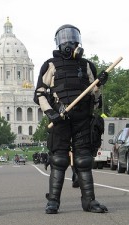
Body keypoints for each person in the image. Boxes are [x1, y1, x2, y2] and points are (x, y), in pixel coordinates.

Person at [34, 24, 108, 214]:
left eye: (73, 38)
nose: (70, 42)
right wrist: (51, 113)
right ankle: (53, 202)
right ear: (59, 43)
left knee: (83, 160)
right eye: (65, 38)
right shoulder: (50, 65)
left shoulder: (87, 65)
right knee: (58, 159)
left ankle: (89, 201)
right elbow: (40, 93)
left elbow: (96, 96)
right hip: (60, 118)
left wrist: (100, 85)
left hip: (83, 118)